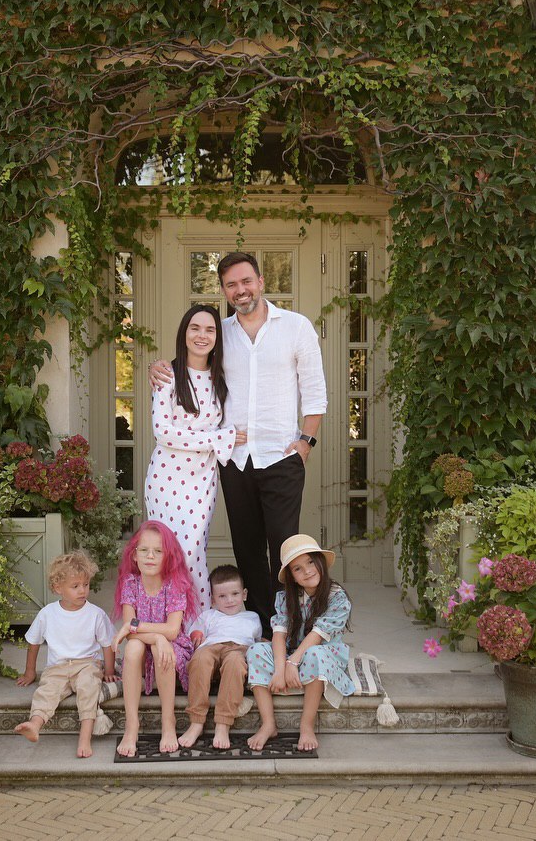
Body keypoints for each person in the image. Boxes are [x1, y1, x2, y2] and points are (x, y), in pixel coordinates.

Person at [152, 252, 327, 636]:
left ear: (261, 282)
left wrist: (305, 442)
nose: (240, 290)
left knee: (285, 550)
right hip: (234, 459)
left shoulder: (295, 327)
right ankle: (262, 630)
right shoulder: (221, 333)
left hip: (281, 456)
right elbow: (193, 363)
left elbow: (315, 391)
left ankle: (290, 628)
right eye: (231, 284)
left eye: (246, 281)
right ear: (224, 290)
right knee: (247, 550)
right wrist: (160, 367)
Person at [144, 304, 246, 613]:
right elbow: (163, 432)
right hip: (166, 478)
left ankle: (197, 625)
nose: (202, 335)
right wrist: (218, 439)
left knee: (193, 552)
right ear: (184, 333)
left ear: (217, 337)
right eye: (195, 328)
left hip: (202, 479)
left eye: (210, 330)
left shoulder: (221, 378)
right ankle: (164, 624)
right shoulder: (168, 375)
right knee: (165, 553)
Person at [245, 534, 356, 752]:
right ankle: (268, 723)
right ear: (292, 576)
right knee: (256, 650)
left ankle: (306, 726)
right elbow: (279, 634)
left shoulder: (337, 597)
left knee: (315, 653)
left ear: (320, 562)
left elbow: (317, 635)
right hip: (292, 653)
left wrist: (292, 663)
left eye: (310, 562)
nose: (307, 571)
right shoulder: (286, 596)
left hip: (323, 654)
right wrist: (280, 669)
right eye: (297, 568)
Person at [14, 551, 118, 758]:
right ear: (57, 588)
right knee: (47, 691)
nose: (82, 590)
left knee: (89, 689)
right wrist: (30, 672)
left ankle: (85, 738)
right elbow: (33, 643)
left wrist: (108, 671)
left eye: (85, 584)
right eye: (75, 586)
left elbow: (107, 645)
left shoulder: (96, 614)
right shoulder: (47, 614)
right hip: (57, 667)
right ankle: (35, 724)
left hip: (87, 665)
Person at [112, 521, 199, 756]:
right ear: (134, 555)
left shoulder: (175, 585)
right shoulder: (130, 583)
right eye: (144, 550)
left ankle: (168, 722)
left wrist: (156, 636)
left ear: (168, 556)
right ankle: (132, 726)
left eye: (158, 551)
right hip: (143, 648)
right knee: (133, 648)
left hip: (172, 649)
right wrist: (157, 637)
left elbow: (172, 631)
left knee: (160, 647)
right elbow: (131, 632)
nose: (150, 556)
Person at [178, 564, 262, 750]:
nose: (229, 600)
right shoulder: (209, 615)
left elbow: (257, 641)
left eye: (235, 594)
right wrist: (197, 635)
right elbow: (195, 631)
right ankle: (196, 721)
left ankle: (223, 723)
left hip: (238, 650)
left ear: (244, 594)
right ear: (213, 599)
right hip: (212, 647)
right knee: (199, 659)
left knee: (235, 663)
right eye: (222, 596)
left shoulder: (252, 617)